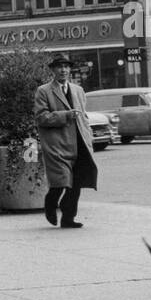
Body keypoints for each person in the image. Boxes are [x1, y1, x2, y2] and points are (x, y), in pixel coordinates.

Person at [34, 54, 98, 229]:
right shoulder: (44, 91)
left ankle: (68, 218)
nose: (63, 70)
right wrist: (65, 115)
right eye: (59, 67)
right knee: (61, 182)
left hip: (79, 143)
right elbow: (41, 118)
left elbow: (83, 116)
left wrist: (88, 136)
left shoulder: (78, 90)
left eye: (66, 67)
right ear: (53, 70)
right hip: (58, 145)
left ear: (70, 70)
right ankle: (50, 202)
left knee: (76, 184)